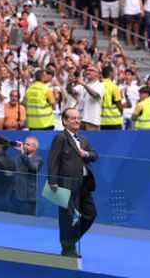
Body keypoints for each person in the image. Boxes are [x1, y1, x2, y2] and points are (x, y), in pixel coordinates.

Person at [47, 108, 97, 258]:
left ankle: (70, 241)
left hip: (84, 184)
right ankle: (68, 248)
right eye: (73, 118)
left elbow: (94, 155)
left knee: (90, 214)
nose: (77, 121)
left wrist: (86, 154)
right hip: (66, 183)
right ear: (64, 121)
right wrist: (52, 180)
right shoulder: (60, 138)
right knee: (68, 218)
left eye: (79, 118)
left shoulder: (83, 139)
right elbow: (53, 160)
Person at [13, 137, 42, 215]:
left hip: (29, 197)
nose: (25, 146)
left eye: (28, 144)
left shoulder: (38, 159)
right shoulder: (20, 157)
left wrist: (22, 154)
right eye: (25, 144)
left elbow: (33, 168)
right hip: (17, 195)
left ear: (35, 147)